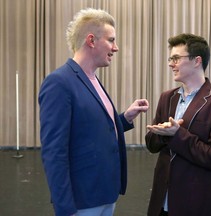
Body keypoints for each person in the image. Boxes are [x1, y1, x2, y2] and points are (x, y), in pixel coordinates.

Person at [38, 8, 149, 216]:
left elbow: (92, 128)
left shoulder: (93, 79)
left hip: (105, 193)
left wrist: (124, 118)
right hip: (82, 200)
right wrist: (65, 208)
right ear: (91, 40)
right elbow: (54, 151)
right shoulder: (59, 82)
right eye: (111, 40)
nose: (115, 48)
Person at [145, 33, 211, 216]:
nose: (171, 64)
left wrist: (177, 135)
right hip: (162, 199)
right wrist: (161, 134)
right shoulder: (167, 97)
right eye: (171, 58)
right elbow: (151, 145)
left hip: (196, 200)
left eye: (176, 58)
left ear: (197, 61)